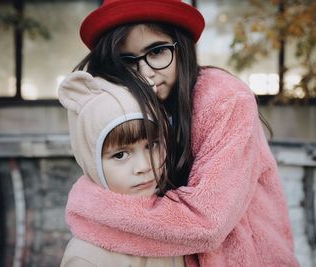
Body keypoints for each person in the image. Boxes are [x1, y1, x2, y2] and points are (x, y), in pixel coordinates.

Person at [64, 0, 300, 266]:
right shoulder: (126, 105)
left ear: (181, 46)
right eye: (126, 60)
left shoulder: (225, 100)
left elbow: (206, 222)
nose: (145, 73)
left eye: (156, 52)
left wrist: (89, 208)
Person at [58, 71, 184, 267]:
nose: (144, 166)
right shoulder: (86, 257)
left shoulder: (178, 227)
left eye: (151, 145)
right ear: (92, 163)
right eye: (120, 155)